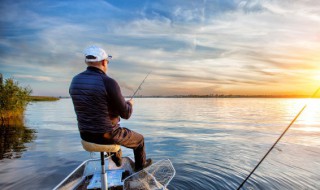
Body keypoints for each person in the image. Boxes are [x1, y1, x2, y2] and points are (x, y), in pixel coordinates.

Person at [69, 45, 151, 171]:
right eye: (107, 61)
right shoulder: (108, 82)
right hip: (106, 135)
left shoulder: (75, 81)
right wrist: (129, 104)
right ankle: (140, 170)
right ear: (103, 62)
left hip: (85, 135)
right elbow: (126, 114)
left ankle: (117, 159)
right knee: (139, 140)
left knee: (112, 129)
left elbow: (93, 105)